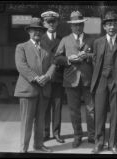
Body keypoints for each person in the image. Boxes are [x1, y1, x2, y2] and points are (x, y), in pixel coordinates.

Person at [90, 11, 117, 154]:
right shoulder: (97, 42)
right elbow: (95, 61)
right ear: (104, 27)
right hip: (101, 81)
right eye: (109, 24)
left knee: (115, 114)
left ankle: (113, 144)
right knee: (100, 113)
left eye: (114, 24)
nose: (112, 27)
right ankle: (99, 143)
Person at [53, 11, 95, 148]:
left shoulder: (92, 39)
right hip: (71, 80)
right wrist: (68, 59)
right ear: (71, 27)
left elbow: (97, 56)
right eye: (75, 25)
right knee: (74, 110)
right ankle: (77, 136)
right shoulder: (65, 40)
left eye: (80, 24)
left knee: (91, 109)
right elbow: (56, 58)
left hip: (88, 79)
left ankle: (92, 135)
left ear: (83, 25)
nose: (78, 27)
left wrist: (87, 56)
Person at [14, 17, 55, 153]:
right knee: (26, 121)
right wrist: (36, 78)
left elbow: (53, 65)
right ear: (29, 32)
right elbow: (21, 66)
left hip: (44, 89)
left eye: (39, 30)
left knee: (41, 121)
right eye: (34, 30)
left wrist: (48, 76)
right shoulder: (21, 47)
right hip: (28, 89)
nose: (37, 32)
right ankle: (23, 148)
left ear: (42, 32)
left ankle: (38, 145)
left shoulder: (47, 48)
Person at [40, 10, 65, 143]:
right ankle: (45, 133)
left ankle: (56, 133)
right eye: (48, 22)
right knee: (44, 106)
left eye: (53, 21)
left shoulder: (63, 39)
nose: (51, 24)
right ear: (44, 23)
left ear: (57, 23)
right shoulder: (40, 38)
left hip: (58, 78)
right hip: (44, 78)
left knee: (57, 106)